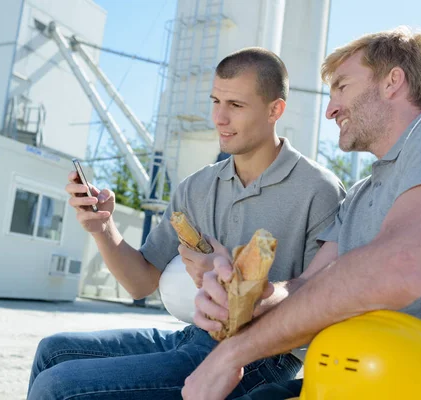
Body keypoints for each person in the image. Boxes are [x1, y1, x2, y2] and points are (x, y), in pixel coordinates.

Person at [185, 26, 421, 400]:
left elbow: (399, 266)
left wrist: (233, 353)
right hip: (358, 381)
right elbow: (306, 286)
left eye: (342, 87)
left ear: (393, 81)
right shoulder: (359, 196)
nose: (330, 109)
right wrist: (248, 298)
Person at [27, 47, 345, 399]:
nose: (219, 118)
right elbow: (140, 283)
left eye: (235, 106)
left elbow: (323, 299)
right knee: (52, 352)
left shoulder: (319, 189)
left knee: (58, 387)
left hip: (264, 355)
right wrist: (102, 228)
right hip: (195, 336)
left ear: (275, 110)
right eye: (215, 102)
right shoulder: (197, 187)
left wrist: (235, 281)